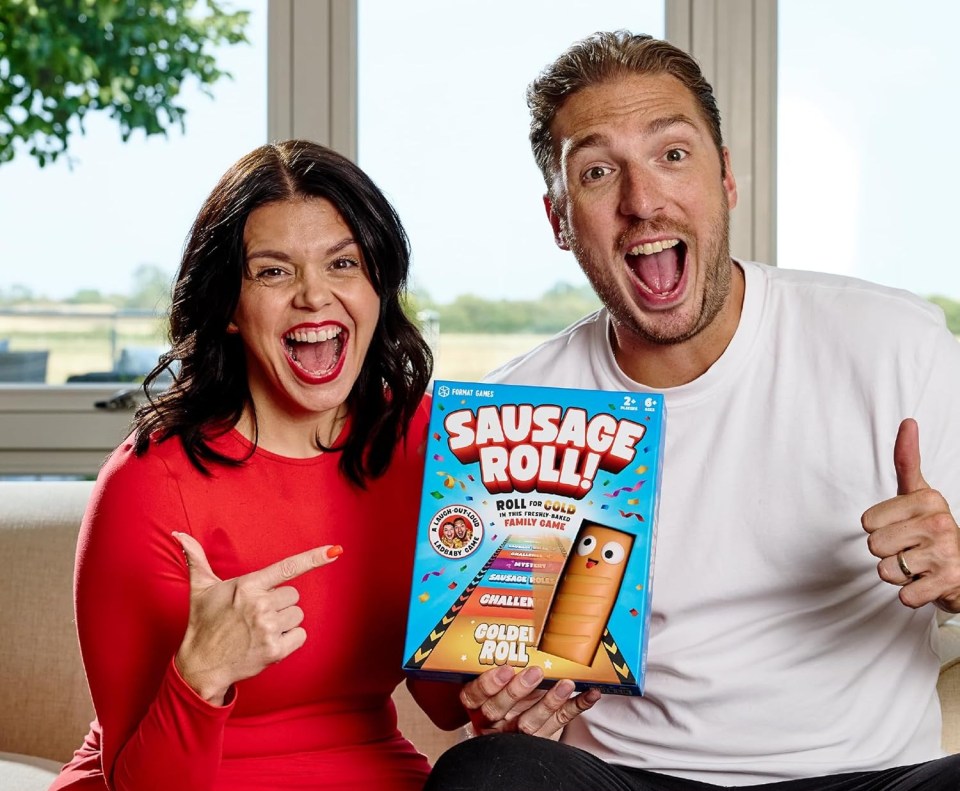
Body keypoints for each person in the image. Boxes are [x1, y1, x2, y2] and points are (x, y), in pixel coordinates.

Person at [424, 31, 960, 790]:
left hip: (869, 775)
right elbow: (457, 690)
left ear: (727, 178)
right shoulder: (520, 406)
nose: (643, 201)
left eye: (672, 155)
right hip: (635, 778)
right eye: (599, 172)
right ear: (558, 220)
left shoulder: (895, 345)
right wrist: (495, 695)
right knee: (486, 773)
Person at [49, 139, 591, 791]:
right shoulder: (148, 482)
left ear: (377, 286)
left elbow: (447, 702)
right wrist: (202, 674)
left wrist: (512, 687)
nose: (314, 295)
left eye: (342, 263)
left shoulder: (428, 444)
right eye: (274, 271)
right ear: (228, 306)